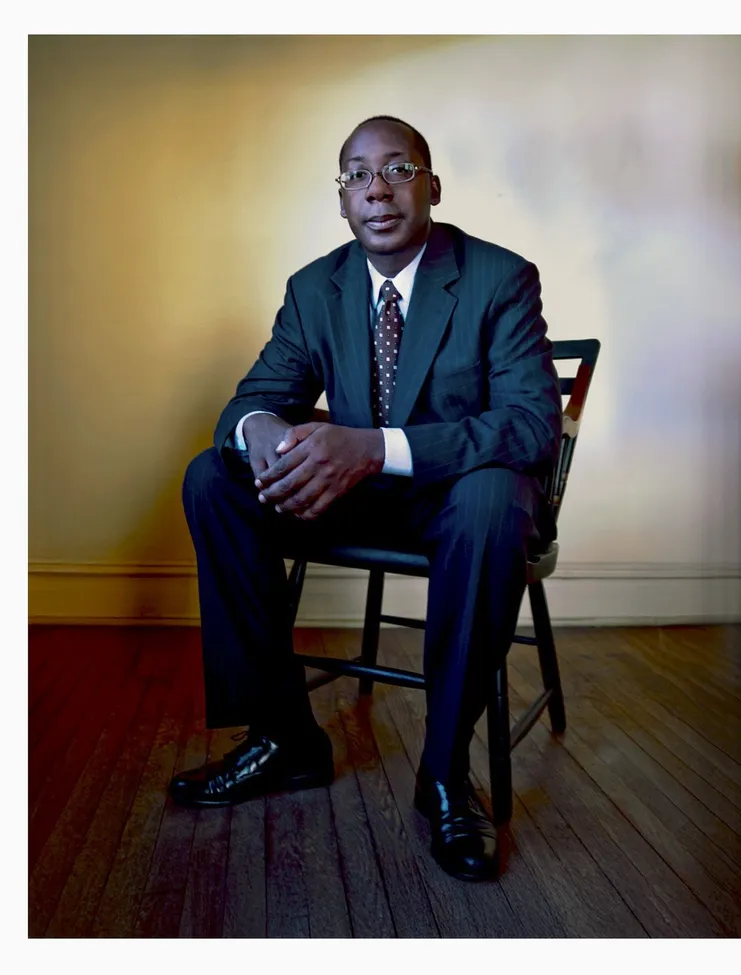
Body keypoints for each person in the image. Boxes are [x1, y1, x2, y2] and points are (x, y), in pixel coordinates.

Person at [170, 116, 561, 882]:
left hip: (458, 500)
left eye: (398, 168)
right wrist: (264, 434)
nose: (376, 189)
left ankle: (445, 771)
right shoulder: (317, 288)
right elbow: (249, 401)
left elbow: (531, 425)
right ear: (342, 201)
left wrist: (377, 445)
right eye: (356, 175)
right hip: (356, 496)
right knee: (211, 477)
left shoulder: (499, 277)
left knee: (491, 501)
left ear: (431, 187)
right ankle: (285, 736)